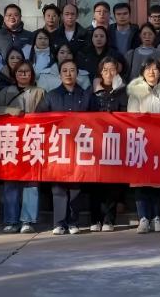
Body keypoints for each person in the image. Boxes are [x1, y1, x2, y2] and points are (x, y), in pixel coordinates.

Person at [0, 60, 47, 234]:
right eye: (20, 72)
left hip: (32, 140)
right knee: (11, 181)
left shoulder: (39, 92)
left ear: (32, 74)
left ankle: (27, 220)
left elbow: (47, 114)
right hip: (11, 141)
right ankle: (11, 220)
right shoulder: (6, 91)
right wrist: (11, 111)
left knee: (31, 181)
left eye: (27, 71)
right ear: (14, 74)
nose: (23, 74)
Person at [45, 60, 94, 235]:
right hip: (57, 147)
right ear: (59, 75)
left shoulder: (86, 95)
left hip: (79, 147)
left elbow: (95, 120)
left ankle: (73, 222)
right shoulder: (51, 95)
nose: (68, 74)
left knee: (75, 186)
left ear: (77, 74)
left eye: (72, 70)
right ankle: (59, 223)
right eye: (64, 70)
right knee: (58, 186)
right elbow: (40, 120)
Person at [126, 58, 160, 234]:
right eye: (148, 69)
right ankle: (143, 218)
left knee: (158, 182)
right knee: (140, 182)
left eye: (155, 69)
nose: (152, 72)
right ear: (142, 72)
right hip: (141, 141)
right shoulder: (136, 90)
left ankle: (156, 217)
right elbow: (131, 116)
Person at [89, 58, 128, 232]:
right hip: (95, 142)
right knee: (95, 182)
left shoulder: (123, 91)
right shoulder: (92, 91)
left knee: (113, 183)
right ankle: (95, 219)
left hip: (116, 141)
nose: (109, 73)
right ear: (100, 72)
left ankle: (109, 220)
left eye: (112, 69)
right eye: (105, 70)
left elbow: (127, 114)